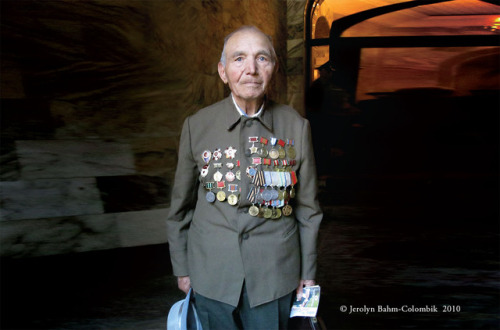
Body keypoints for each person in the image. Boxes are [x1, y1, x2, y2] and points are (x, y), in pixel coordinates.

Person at [166, 25, 323, 330]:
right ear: (223, 72)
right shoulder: (196, 126)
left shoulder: (296, 127)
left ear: (273, 68)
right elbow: (180, 209)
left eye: (261, 58)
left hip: (274, 277)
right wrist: (182, 267)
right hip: (212, 275)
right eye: (239, 59)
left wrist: (308, 272)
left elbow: (308, 210)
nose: (251, 69)